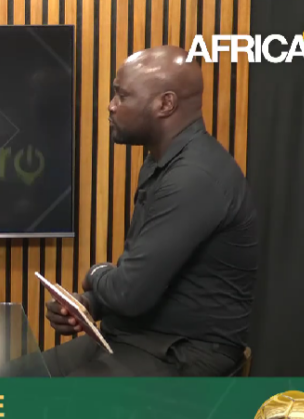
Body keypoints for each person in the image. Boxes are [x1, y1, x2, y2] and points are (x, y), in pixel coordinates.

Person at [43, 45, 258, 377]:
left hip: (184, 352)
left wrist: (96, 274)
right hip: (136, 337)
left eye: (122, 95)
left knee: (41, 402)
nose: (111, 105)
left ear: (165, 104)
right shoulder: (162, 162)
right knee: (4, 383)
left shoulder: (194, 177)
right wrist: (88, 304)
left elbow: (130, 292)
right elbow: (147, 281)